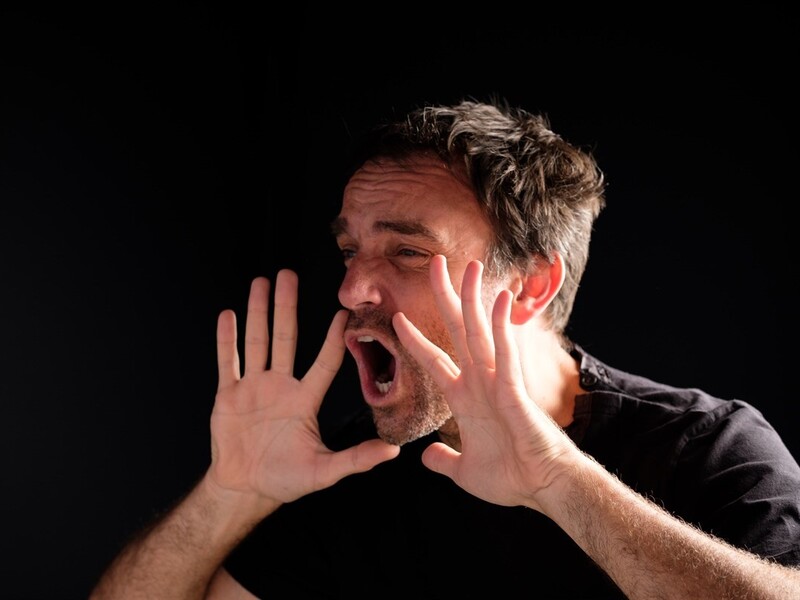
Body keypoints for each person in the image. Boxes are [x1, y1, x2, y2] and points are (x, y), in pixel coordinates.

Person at [90, 98, 800, 599]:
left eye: (405, 250)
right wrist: (230, 495)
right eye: (349, 251)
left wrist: (557, 480)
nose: (352, 290)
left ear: (529, 284)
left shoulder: (706, 448)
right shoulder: (349, 480)